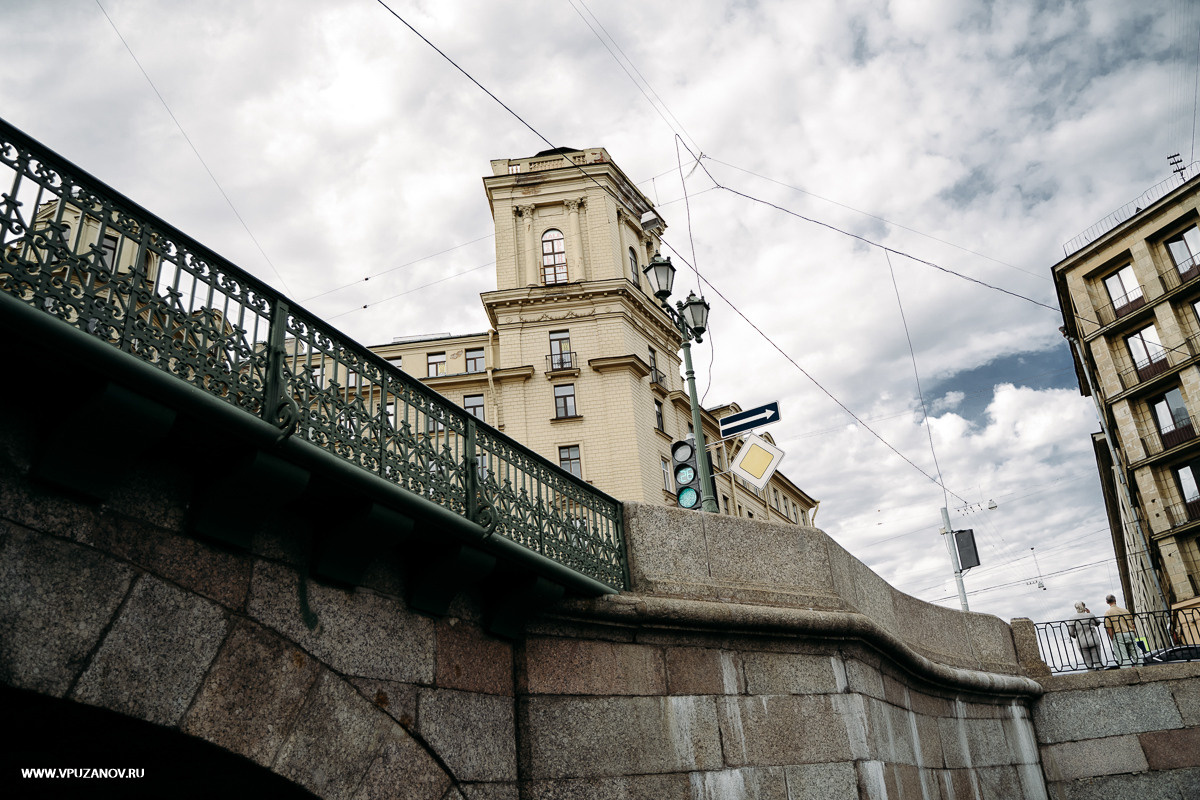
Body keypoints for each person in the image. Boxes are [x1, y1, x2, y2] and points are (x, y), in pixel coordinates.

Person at [1103, 594, 1139, 667]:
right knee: (1136, 653)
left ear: (1107, 602)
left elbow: (1109, 628)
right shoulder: (1125, 610)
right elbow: (1132, 624)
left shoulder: (1108, 613)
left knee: (1123, 656)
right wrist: (1134, 633)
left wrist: (1112, 639)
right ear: (1115, 600)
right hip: (1130, 633)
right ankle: (1140, 666)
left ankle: (1127, 671)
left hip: (1119, 634)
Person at [1068, 601, 1103, 670]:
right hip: (1093, 640)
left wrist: (1077, 636)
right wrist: (1089, 613)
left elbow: (1071, 632)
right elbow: (1097, 623)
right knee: (1098, 662)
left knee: (1088, 664)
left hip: (1081, 642)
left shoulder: (1072, 618)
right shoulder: (1090, 615)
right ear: (1084, 607)